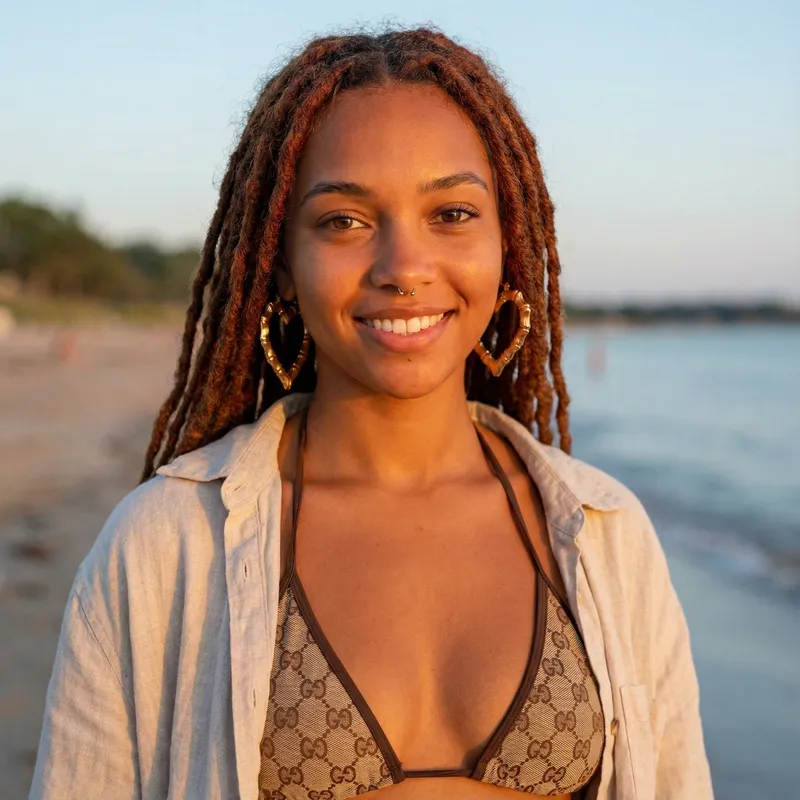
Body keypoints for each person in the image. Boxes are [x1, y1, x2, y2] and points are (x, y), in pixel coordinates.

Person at [30, 28, 713, 800]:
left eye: (452, 213)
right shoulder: (160, 546)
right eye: (345, 221)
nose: (404, 268)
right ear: (281, 265)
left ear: (506, 246)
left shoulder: (608, 536)